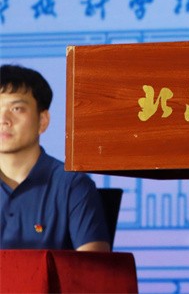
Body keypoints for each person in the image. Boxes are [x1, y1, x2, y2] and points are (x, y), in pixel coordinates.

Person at [0, 64, 111, 251]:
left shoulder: (73, 186)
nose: (3, 119)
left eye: (17, 108)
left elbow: (93, 264)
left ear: (43, 121)